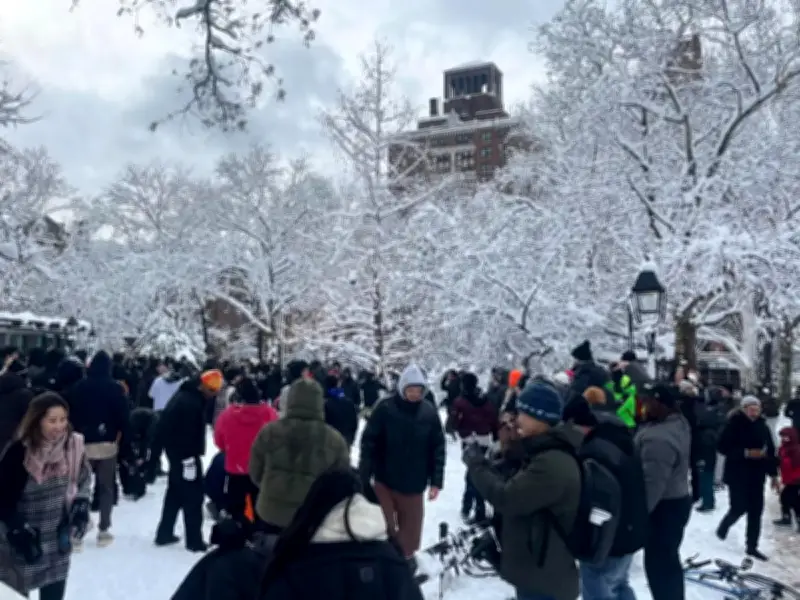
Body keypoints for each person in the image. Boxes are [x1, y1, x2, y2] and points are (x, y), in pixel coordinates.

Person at [464, 381, 582, 600]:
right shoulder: (543, 453)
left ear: (539, 418)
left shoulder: (552, 463)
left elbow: (507, 498)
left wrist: (476, 466)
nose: (516, 419)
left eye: (522, 413)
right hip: (537, 573)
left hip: (545, 581)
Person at [0, 393, 91, 600]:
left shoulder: (73, 445)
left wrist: (81, 502)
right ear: (37, 420)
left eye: (63, 419)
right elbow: (2, 499)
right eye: (52, 421)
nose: (59, 426)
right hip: (22, 540)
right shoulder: (19, 451)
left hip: (57, 540)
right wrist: (17, 527)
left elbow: (84, 478)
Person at [359, 364, 445, 563]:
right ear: (402, 388)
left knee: (410, 538)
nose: (415, 394)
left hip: (414, 484)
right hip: (384, 480)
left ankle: (403, 569)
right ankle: (381, 563)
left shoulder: (428, 412)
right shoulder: (385, 408)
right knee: (382, 528)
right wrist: (364, 475)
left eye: (419, 390)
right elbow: (369, 442)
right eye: (411, 390)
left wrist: (436, 481)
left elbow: (438, 447)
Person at [249, 379, 350, 533]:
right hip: (312, 515)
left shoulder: (269, 432)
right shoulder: (334, 440)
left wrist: (270, 487)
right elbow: (341, 480)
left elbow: (255, 470)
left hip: (271, 510)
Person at [65, 350, 130, 547]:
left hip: (81, 443)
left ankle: (75, 529)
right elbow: (123, 417)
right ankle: (104, 529)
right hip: (107, 444)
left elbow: (71, 414)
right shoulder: (116, 388)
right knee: (106, 487)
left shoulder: (79, 387)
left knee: (78, 486)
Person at [154, 370, 224, 552]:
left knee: (175, 494)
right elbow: (185, 434)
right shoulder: (190, 404)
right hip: (186, 455)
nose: (214, 395)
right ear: (203, 386)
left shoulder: (185, 395)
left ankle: (164, 533)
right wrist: (188, 461)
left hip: (177, 454)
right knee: (194, 498)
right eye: (212, 391)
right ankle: (194, 541)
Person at [636, 384, 691, 600]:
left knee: (660, 567)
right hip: (677, 501)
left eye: (648, 402)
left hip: (663, 508)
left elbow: (653, 483)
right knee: (668, 563)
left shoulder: (659, 439)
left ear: (661, 404)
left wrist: (639, 516)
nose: (644, 406)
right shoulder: (679, 423)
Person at [716, 396, 779, 560]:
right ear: (743, 409)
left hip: (757, 474)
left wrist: (773, 475)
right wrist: (745, 453)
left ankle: (752, 546)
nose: (755, 412)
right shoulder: (733, 424)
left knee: (756, 511)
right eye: (751, 409)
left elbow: (770, 450)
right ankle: (725, 525)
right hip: (737, 473)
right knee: (739, 507)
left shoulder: (762, 426)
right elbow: (722, 447)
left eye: (757, 409)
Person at [214, 378, 277, 524]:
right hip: (261, 470)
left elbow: (219, 441)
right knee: (262, 510)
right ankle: (259, 537)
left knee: (236, 509)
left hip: (235, 469)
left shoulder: (227, 416)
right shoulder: (269, 414)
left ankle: (239, 535)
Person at [452, 372, 497, 523]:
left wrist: (462, 431)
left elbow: (453, 423)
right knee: (478, 471)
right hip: (485, 440)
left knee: (472, 474)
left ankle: (472, 508)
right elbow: (493, 419)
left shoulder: (460, 402)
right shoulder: (485, 399)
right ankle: (476, 507)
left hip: (469, 440)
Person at [774, 426, 800, 531]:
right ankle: (788, 517)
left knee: (789, 498)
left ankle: (789, 518)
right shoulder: (783, 448)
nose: (784, 439)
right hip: (790, 478)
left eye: (786, 437)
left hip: (795, 479)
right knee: (789, 499)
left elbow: (794, 465)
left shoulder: (796, 450)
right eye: (782, 436)